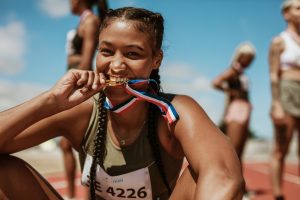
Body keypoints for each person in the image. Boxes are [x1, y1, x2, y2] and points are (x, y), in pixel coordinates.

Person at [0, 7, 245, 200]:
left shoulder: (175, 111)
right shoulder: (82, 112)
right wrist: (49, 101)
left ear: (156, 59)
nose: (116, 66)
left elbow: (223, 177)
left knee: (203, 173)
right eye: (106, 51)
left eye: (133, 54)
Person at [63, 0, 108, 198]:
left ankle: (81, 195)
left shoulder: (90, 21)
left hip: (81, 86)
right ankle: (73, 195)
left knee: (79, 144)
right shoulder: (83, 22)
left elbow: (87, 60)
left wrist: (74, 90)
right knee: (67, 144)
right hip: (75, 84)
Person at [269, 1, 300, 200]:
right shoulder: (279, 42)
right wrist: (277, 104)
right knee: (281, 149)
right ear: (286, 14)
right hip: (287, 92)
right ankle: (279, 195)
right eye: (298, 8)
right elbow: (273, 75)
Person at [212, 42, 255, 161]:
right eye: (249, 58)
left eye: (251, 59)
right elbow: (216, 82)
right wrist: (230, 91)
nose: (250, 62)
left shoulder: (241, 72)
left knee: (240, 151)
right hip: (237, 108)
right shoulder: (233, 70)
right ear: (241, 56)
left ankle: (240, 178)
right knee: (234, 150)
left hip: (246, 108)